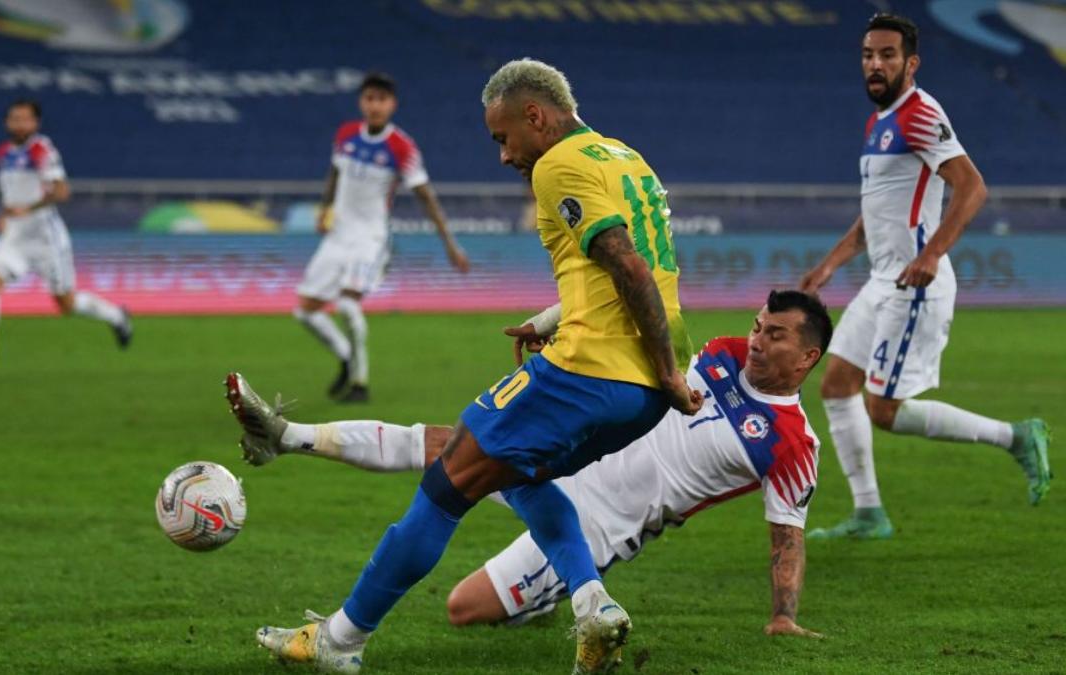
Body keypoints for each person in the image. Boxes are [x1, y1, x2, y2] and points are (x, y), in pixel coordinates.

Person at [229, 58, 699, 674]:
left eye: (504, 137)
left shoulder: (557, 165)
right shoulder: (626, 158)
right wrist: (566, 326)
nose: (504, 156)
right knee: (519, 477)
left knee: (446, 484)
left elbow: (628, 267)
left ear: (535, 115)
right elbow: (640, 269)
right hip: (641, 395)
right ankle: (593, 607)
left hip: (590, 371)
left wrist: (668, 370)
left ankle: (339, 642)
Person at [227, 290, 833, 640]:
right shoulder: (722, 352)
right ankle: (286, 436)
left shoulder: (793, 445)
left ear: (807, 357)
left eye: (775, 336)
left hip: (602, 524)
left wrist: (783, 617)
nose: (757, 341)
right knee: (444, 446)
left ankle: (552, 597)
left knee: (462, 609)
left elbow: (788, 537)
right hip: (574, 454)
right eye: (758, 326)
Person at [799, 13, 1051, 540]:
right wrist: (829, 265)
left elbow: (972, 186)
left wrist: (933, 254)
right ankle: (869, 513)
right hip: (882, 280)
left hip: (914, 285)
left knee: (884, 409)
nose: (875, 64)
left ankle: (1015, 436)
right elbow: (876, 213)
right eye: (868, 54)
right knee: (837, 383)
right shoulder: (879, 123)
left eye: (887, 55)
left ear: (910, 63)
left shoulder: (919, 113)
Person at [297, 72, 470, 403]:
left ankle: (360, 384)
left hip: (370, 238)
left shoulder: (402, 147)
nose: (375, 105)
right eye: (369, 98)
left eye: (382, 99)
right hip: (338, 235)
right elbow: (334, 173)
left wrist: (450, 244)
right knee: (305, 311)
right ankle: (346, 356)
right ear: (361, 102)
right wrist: (324, 209)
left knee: (347, 304)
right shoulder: (346, 134)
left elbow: (426, 197)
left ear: (393, 104)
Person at [0, 98, 132, 374]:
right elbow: (14, 194)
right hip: (16, 236)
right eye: (14, 119)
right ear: (7, 122)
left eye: (25, 119)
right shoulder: (3, 153)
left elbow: (61, 191)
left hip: (46, 238)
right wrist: (5, 214)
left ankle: (116, 316)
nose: (19, 124)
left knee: (66, 303)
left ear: (35, 123)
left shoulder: (41, 149)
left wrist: (28, 209)